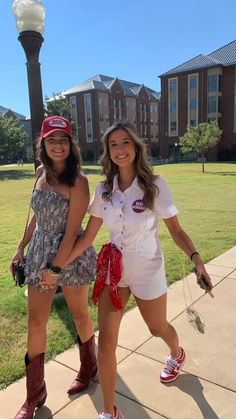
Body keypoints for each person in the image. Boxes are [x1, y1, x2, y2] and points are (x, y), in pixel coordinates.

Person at [63, 119, 213, 419]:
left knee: (157, 328)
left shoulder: (155, 186)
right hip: (113, 271)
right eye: (113, 144)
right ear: (107, 151)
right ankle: (108, 412)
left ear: (136, 147)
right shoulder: (104, 190)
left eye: (125, 142)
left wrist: (196, 260)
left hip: (147, 268)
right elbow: (89, 236)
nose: (119, 149)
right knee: (106, 345)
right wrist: (57, 265)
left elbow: (177, 231)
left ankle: (176, 353)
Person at [10, 115, 97, 419]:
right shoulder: (39, 172)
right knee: (36, 323)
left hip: (69, 257)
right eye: (51, 139)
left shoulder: (79, 182)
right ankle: (34, 394)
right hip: (38, 254)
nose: (57, 145)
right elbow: (36, 216)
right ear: (43, 143)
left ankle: (89, 366)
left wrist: (55, 269)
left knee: (78, 313)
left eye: (63, 140)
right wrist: (22, 247)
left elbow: (73, 231)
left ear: (70, 144)